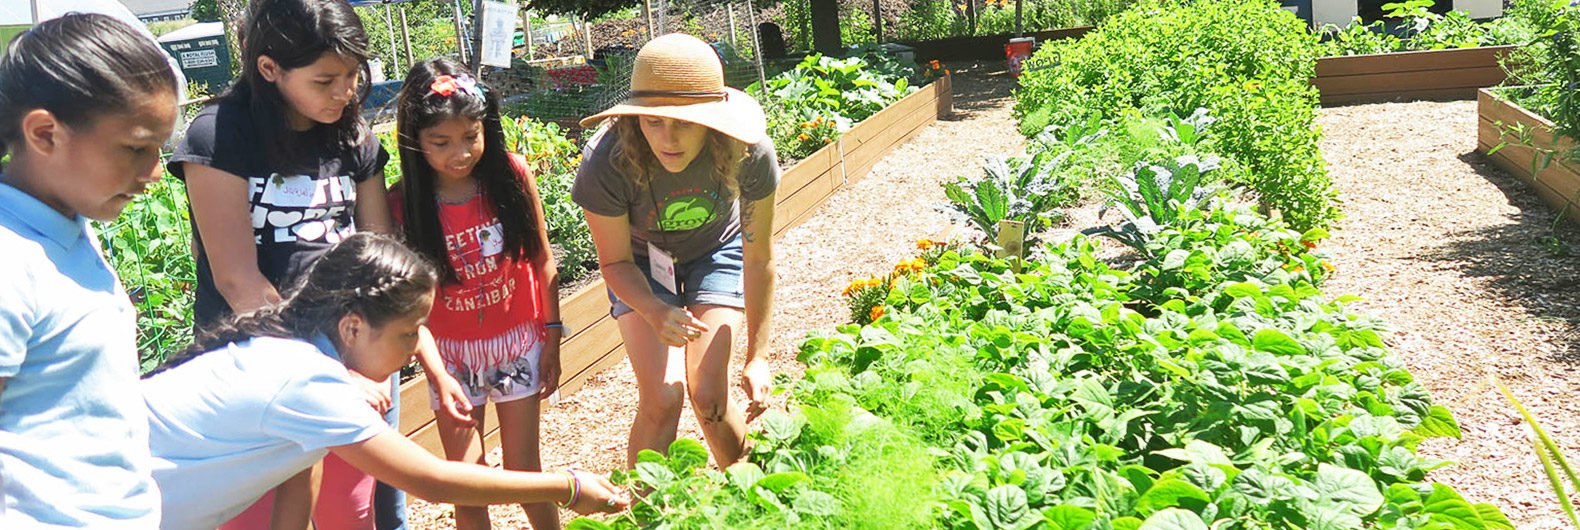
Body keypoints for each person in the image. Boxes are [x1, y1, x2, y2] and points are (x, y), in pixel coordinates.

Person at [165, 0, 452, 527]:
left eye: (351, 76)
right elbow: (237, 278)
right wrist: (325, 368)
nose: (345, 92)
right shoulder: (219, 137)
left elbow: (380, 263)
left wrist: (423, 355)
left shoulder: (351, 136)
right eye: (325, 80)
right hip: (262, 366)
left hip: (357, 351)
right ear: (269, 69)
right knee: (264, 512)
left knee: (362, 510)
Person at [141, 233, 629, 530]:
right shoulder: (306, 381)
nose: (418, 344)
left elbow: (298, 468)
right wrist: (565, 487)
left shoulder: (299, 362)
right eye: (408, 331)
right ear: (352, 326)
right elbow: (430, 480)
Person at [0, 13, 178, 527]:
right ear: (44, 133)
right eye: (136, 148)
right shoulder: (11, 258)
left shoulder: (68, 226)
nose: (154, 173)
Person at [572, 33, 779, 469]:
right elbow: (614, 262)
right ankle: (648, 512)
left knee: (709, 394)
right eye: (653, 121)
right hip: (640, 264)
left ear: (711, 121)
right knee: (663, 397)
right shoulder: (606, 161)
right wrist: (652, 309)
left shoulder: (750, 153)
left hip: (716, 252)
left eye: (683, 122)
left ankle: (753, 500)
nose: (667, 138)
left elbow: (758, 258)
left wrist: (758, 358)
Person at [386, 57, 563, 530]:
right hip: (452, 359)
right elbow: (408, 309)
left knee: (527, 471)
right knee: (467, 480)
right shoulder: (402, 204)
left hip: (518, 344)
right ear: (415, 140)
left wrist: (552, 335)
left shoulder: (512, 175)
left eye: (470, 136)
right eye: (440, 142)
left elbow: (543, 260)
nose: (459, 152)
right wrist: (437, 374)